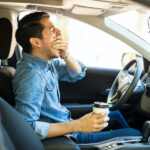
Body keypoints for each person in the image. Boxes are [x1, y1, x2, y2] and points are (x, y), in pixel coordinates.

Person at [12, 11, 141, 144]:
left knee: (116, 115)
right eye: (51, 29)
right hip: (70, 136)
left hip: (67, 124)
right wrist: (78, 125)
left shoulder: (45, 63)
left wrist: (65, 54)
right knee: (135, 134)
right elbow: (26, 127)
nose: (58, 32)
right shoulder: (31, 76)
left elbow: (77, 73)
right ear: (35, 42)